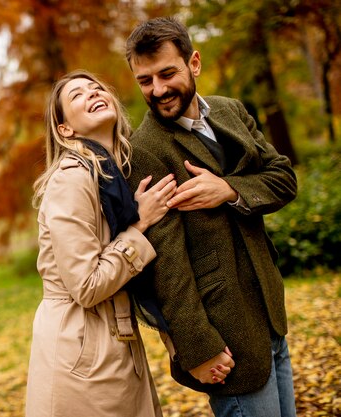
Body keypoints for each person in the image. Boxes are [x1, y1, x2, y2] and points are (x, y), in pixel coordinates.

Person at [124, 17, 298, 417]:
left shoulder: (229, 111)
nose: (159, 90)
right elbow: (166, 264)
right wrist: (197, 348)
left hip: (270, 314)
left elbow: (283, 178)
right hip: (225, 338)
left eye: (167, 73)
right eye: (145, 80)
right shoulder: (146, 149)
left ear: (194, 63)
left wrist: (230, 189)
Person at [25, 70, 186, 417]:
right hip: (81, 351)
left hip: (111, 342)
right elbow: (86, 285)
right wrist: (139, 224)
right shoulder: (72, 179)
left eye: (96, 87)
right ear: (65, 129)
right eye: (77, 96)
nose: (93, 93)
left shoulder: (110, 174)